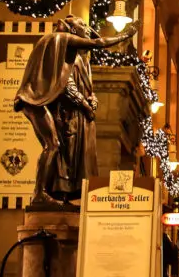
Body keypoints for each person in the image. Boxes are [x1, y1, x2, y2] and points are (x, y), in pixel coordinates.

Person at [14, 15, 137, 203]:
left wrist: (91, 99)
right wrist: (126, 35)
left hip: (38, 102)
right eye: (82, 25)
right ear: (71, 30)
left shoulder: (73, 57)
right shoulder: (60, 39)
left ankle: (46, 193)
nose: (86, 29)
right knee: (52, 145)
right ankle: (39, 194)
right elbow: (99, 42)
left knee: (56, 147)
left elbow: (82, 85)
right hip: (33, 101)